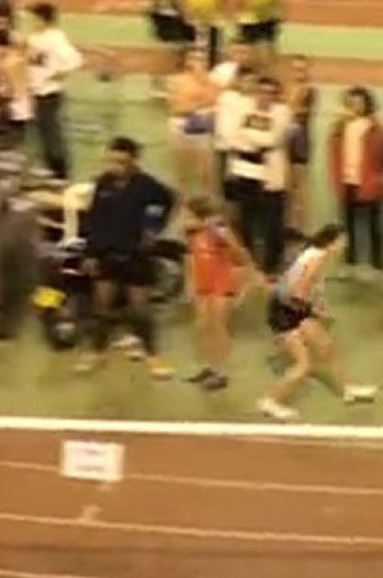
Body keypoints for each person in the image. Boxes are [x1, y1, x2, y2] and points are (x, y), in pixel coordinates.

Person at [75, 137, 176, 379]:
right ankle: (95, 352)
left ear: (133, 160)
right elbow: (93, 219)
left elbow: (168, 200)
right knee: (101, 308)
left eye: (121, 162)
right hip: (106, 254)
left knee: (140, 311)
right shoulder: (103, 183)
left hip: (136, 256)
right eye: (112, 161)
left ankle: (153, 356)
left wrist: (153, 230)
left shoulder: (147, 185)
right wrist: (90, 253)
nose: (116, 166)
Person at [259, 224, 378, 421]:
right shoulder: (316, 257)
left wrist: (315, 311)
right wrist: (315, 312)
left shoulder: (313, 253)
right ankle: (270, 401)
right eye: (342, 241)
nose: (344, 245)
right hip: (285, 312)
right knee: (303, 365)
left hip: (292, 307)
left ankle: (348, 389)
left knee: (325, 346)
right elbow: (299, 291)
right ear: (331, 242)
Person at [184, 195, 258, 391]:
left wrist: (245, 285)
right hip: (203, 283)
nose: (184, 218)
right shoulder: (192, 233)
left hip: (221, 283)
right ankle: (208, 366)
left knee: (218, 328)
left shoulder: (220, 231)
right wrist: (190, 283)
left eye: (187, 214)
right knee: (203, 326)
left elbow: (241, 256)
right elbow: (192, 257)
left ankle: (221, 372)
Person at [328, 86, 383, 281]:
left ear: (367, 104)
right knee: (348, 225)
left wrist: (380, 179)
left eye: (359, 102)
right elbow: (334, 153)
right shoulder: (340, 127)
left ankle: (376, 266)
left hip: (369, 184)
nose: (355, 106)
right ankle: (350, 262)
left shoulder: (375, 128)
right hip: (347, 181)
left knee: (374, 226)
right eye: (352, 102)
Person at [232, 75, 292, 277]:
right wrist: (252, 139)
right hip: (246, 172)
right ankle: (248, 263)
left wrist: (249, 136)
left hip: (271, 176)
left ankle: (272, 266)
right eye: (261, 92)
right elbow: (235, 136)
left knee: (271, 222)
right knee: (245, 219)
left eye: (270, 93)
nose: (264, 97)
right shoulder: (245, 109)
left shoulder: (282, 112)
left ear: (276, 96)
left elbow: (272, 139)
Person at [26, 2, 82, 179]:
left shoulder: (55, 38)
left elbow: (75, 59)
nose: (30, 21)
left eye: (33, 18)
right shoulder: (34, 38)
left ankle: (60, 170)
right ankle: (49, 165)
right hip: (36, 90)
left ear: (42, 19)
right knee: (43, 132)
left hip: (49, 92)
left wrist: (60, 74)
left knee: (52, 133)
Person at [168, 46, 218, 194]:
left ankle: (206, 200)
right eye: (194, 58)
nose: (198, 62)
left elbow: (215, 103)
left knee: (206, 170)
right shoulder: (177, 80)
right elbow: (175, 106)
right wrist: (199, 106)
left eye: (202, 59)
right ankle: (184, 198)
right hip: (181, 123)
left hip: (203, 126)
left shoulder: (211, 81)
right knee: (184, 169)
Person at [213, 67, 257, 222]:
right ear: (238, 81)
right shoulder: (228, 100)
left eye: (253, 82)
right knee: (231, 195)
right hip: (231, 151)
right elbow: (225, 129)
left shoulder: (255, 103)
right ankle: (229, 227)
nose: (250, 85)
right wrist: (237, 145)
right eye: (247, 81)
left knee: (248, 195)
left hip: (251, 152)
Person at [286, 55, 318, 230]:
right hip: (286, 142)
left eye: (302, 69)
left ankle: (298, 226)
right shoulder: (286, 90)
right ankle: (288, 224)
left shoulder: (309, 90)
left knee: (299, 187)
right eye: (296, 69)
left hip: (300, 142)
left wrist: (291, 106)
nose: (299, 73)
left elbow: (299, 111)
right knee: (286, 186)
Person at [0, 28, 33, 148]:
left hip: (10, 105)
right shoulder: (23, 59)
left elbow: (7, 89)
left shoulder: (4, 63)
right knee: (19, 140)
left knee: (5, 141)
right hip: (25, 105)